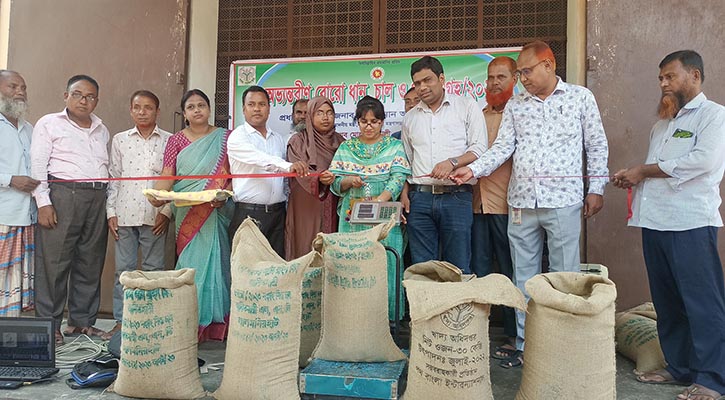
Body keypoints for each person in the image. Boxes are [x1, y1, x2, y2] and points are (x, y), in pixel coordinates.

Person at [452, 41, 609, 368]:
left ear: (549, 65)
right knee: (523, 278)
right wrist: (473, 169)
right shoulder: (516, 105)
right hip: (521, 201)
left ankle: (564, 347)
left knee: (564, 276)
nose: (522, 78)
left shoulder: (580, 98)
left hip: (562, 201)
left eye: (527, 71)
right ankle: (527, 345)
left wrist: (597, 187)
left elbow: (596, 145)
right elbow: (502, 148)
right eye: (520, 73)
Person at [613, 50, 725, 400]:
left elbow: (703, 162)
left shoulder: (713, 116)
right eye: (660, 78)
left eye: (670, 77)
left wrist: (642, 171)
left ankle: (713, 378)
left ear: (694, 75)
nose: (663, 84)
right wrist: (633, 178)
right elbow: (656, 169)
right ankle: (680, 367)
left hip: (690, 223)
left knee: (702, 302)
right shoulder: (662, 124)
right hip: (655, 224)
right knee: (667, 302)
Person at [31, 75, 110, 345]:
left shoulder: (102, 129)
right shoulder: (49, 123)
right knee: (54, 264)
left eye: (90, 97)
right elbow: (38, 165)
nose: (83, 101)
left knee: (90, 261)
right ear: (66, 96)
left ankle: (81, 323)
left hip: (97, 196)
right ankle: (48, 325)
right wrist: (43, 202)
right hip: (63, 195)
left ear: (96, 101)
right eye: (78, 94)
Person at [150, 89, 232, 342]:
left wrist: (225, 193)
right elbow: (168, 173)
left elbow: (231, 174)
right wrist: (157, 194)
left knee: (217, 262)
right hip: (186, 211)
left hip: (214, 210)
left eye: (201, 105)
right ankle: (189, 321)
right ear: (184, 113)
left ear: (209, 109)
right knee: (190, 263)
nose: (197, 110)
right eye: (191, 107)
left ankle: (216, 325)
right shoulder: (175, 140)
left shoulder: (224, 138)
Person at [401, 55, 486, 272]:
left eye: (427, 80)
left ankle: (458, 307)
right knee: (423, 268)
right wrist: (405, 193)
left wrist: (453, 162)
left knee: (457, 267)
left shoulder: (466, 106)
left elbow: (479, 149)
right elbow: (407, 162)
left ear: (441, 78)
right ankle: (427, 307)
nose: (422, 87)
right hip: (419, 199)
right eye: (417, 83)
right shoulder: (410, 118)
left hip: (456, 197)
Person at [328, 96, 411, 320]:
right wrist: (349, 181)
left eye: (375, 121)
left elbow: (398, 177)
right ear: (357, 122)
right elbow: (335, 183)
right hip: (351, 217)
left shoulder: (394, 146)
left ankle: (388, 321)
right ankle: (353, 320)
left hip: (384, 214)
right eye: (364, 121)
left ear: (383, 122)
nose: (369, 126)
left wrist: (380, 200)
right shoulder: (346, 147)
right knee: (354, 264)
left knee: (386, 263)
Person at [106, 90, 172, 338]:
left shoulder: (169, 140)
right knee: (123, 271)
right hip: (124, 214)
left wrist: (166, 211)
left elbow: (174, 179)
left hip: (154, 216)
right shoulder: (120, 140)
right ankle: (122, 320)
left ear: (157, 111)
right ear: (131, 110)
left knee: (154, 269)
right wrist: (110, 212)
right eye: (137, 107)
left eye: (148, 107)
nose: (142, 112)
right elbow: (114, 177)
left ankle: (150, 317)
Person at [471, 56, 518, 360]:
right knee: (479, 270)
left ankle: (515, 335)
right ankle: (476, 332)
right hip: (475, 205)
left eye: (501, 76)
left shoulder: (519, 115)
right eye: (490, 77)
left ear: (515, 79)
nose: (494, 83)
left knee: (512, 270)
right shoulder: (476, 115)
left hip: (508, 205)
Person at [227, 85, 308, 258]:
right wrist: (287, 166)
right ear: (243, 109)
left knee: (276, 270)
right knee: (248, 272)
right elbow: (259, 159)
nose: (257, 108)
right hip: (248, 215)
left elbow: (285, 181)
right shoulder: (237, 136)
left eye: (262, 104)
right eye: (251, 104)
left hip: (278, 215)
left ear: (269, 109)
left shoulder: (278, 139)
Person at [285, 96, 345, 260]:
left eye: (329, 113)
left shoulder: (341, 142)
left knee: (332, 248)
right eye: (319, 113)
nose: (325, 117)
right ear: (310, 116)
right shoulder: (298, 141)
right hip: (306, 205)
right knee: (305, 246)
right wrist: (318, 179)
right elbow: (299, 172)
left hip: (334, 203)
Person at [0, 70, 38, 317]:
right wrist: (10, 180)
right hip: (3, 215)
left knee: (16, 282)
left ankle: (10, 333)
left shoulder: (29, 128)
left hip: (27, 217)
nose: (20, 92)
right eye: (13, 86)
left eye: (23, 87)